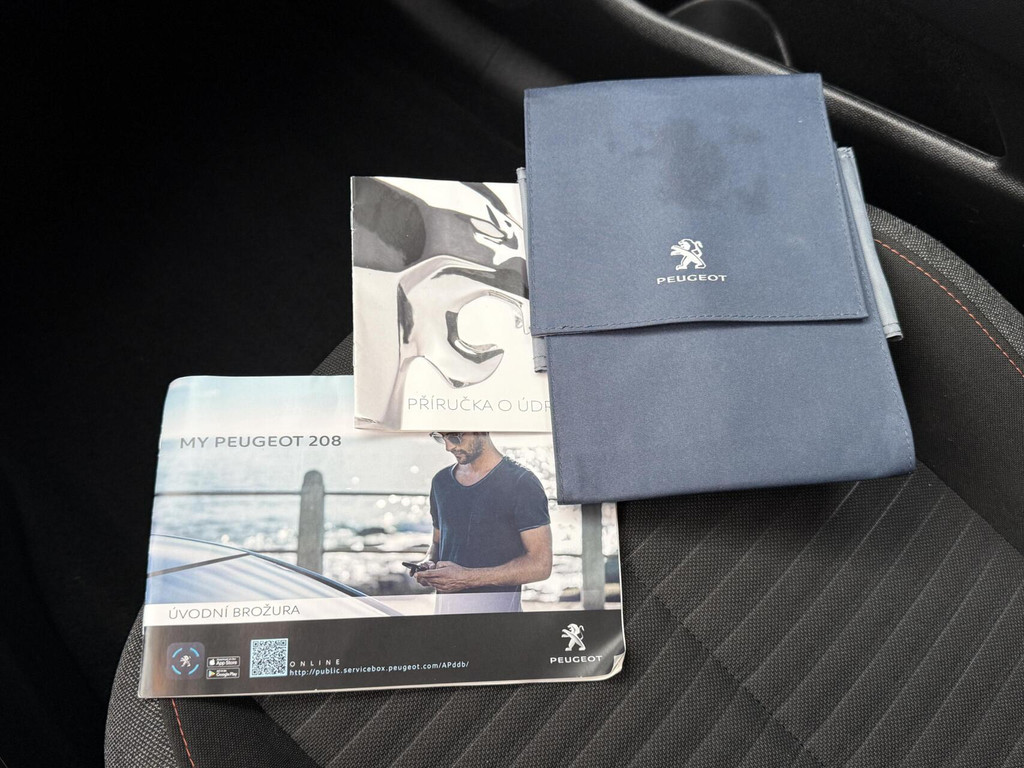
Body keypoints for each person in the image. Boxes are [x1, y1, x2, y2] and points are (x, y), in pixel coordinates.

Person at [414, 432, 552, 613]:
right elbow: (437, 543)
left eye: (454, 437)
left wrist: (467, 579)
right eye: (440, 437)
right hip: (445, 619)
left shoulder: (522, 483)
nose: (448, 447)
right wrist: (429, 564)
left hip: (498, 621)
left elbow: (541, 565)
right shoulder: (441, 482)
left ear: (481, 428)